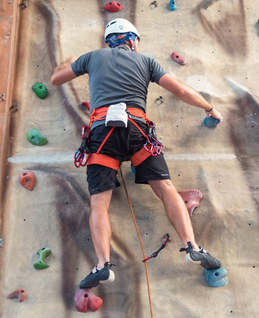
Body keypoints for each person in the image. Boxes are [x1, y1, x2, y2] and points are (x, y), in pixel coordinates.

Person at [51, 18, 223, 289]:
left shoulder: (91, 58)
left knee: (99, 203)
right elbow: (180, 90)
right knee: (166, 188)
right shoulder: (146, 62)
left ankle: (102, 265)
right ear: (132, 40)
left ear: (109, 41)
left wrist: (69, 61)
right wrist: (209, 108)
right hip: (137, 130)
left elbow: (55, 79)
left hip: (102, 134)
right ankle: (193, 246)